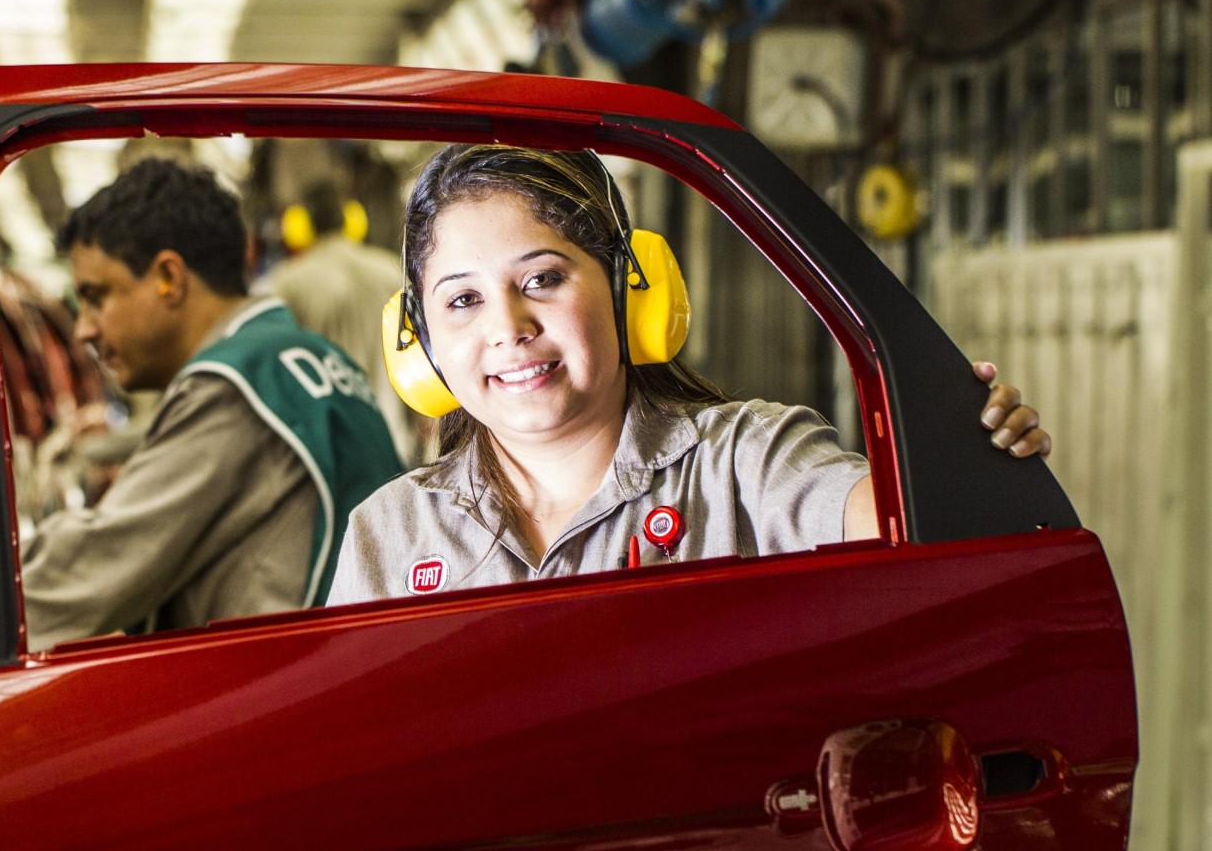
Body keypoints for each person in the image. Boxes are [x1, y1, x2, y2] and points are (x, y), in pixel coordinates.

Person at [326, 145, 1048, 605]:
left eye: (542, 278)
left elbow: (912, 524)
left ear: (630, 291)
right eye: (462, 299)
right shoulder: (389, 536)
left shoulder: (748, 465)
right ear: (418, 341)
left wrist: (963, 450)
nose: (508, 326)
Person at [23, 158, 403, 649]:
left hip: (287, 694)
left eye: (97, 297)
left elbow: (84, 576)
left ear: (168, 277)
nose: (84, 328)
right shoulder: (310, 356)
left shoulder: (232, 385)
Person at [264, 180, 423, 466]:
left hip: (323, 453)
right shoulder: (389, 269)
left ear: (300, 226)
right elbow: (418, 355)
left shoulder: (286, 282)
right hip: (390, 442)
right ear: (353, 220)